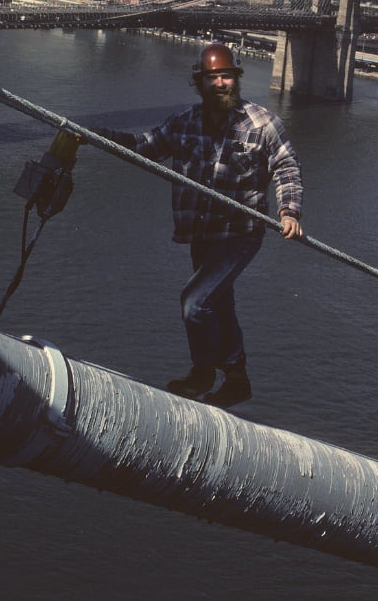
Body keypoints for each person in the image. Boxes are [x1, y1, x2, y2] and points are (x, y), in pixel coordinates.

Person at [96, 42, 303, 408]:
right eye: (213, 78)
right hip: (201, 232)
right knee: (219, 305)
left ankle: (203, 372)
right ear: (200, 82)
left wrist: (289, 212)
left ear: (236, 79)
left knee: (195, 304)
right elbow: (146, 147)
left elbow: (286, 168)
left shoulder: (263, 124)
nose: (221, 83)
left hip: (239, 232)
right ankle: (237, 378)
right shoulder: (184, 123)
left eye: (227, 76)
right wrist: (101, 137)